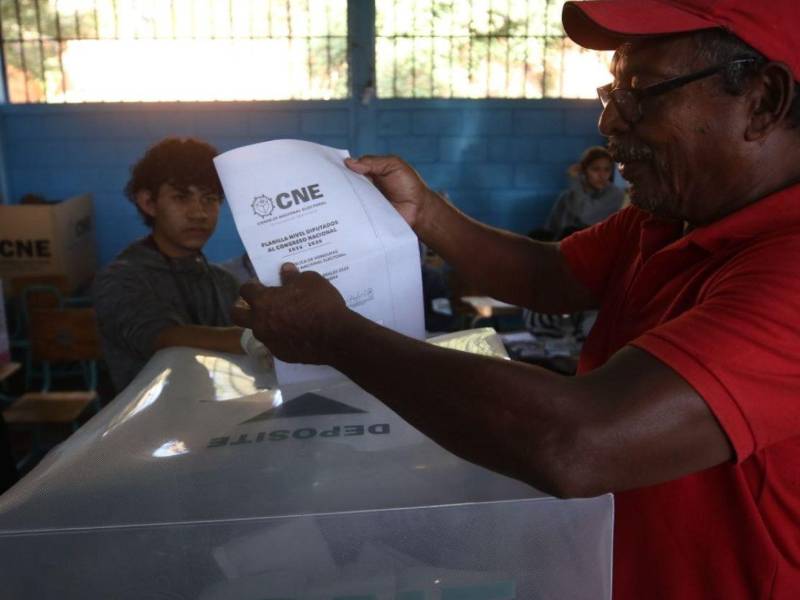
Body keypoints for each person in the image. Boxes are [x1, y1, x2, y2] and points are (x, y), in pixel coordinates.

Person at [230, 1, 800, 596]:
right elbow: (550, 275)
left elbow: (581, 440)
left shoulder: (787, 265)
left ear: (762, 100)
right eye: (612, 93)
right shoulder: (671, 218)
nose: (609, 122)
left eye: (641, 94)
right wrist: (426, 213)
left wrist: (334, 336)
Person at [94, 137, 255, 392]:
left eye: (209, 199)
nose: (198, 213)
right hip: (150, 416)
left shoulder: (224, 281)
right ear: (148, 203)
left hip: (220, 411)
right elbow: (164, 337)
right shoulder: (120, 278)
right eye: (181, 198)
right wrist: (250, 339)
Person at [544, 146, 624, 239]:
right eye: (595, 169)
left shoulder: (615, 194)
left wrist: (575, 181)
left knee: (570, 231)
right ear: (584, 171)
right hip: (563, 244)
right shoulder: (567, 196)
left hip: (595, 243)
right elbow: (550, 230)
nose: (602, 175)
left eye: (607, 169)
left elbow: (585, 215)